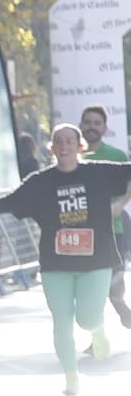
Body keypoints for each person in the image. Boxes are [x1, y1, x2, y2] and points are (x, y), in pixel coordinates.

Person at [0, 123, 131, 396]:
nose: (64, 146)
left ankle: (96, 330)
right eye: (58, 141)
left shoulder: (98, 172)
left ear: (79, 146)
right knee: (62, 320)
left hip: (96, 261)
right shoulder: (40, 182)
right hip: (56, 265)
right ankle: (71, 376)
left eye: (69, 141)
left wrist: (122, 202)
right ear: (51, 148)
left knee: (87, 319)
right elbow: (5, 203)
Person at [84, 107, 131, 327]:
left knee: (113, 287)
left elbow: (127, 188)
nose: (92, 127)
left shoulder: (116, 156)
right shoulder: (74, 157)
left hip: (113, 229)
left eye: (96, 123)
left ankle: (122, 307)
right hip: (82, 233)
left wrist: (119, 205)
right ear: (81, 126)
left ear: (105, 128)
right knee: (91, 288)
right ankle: (97, 336)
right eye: (87, 122)